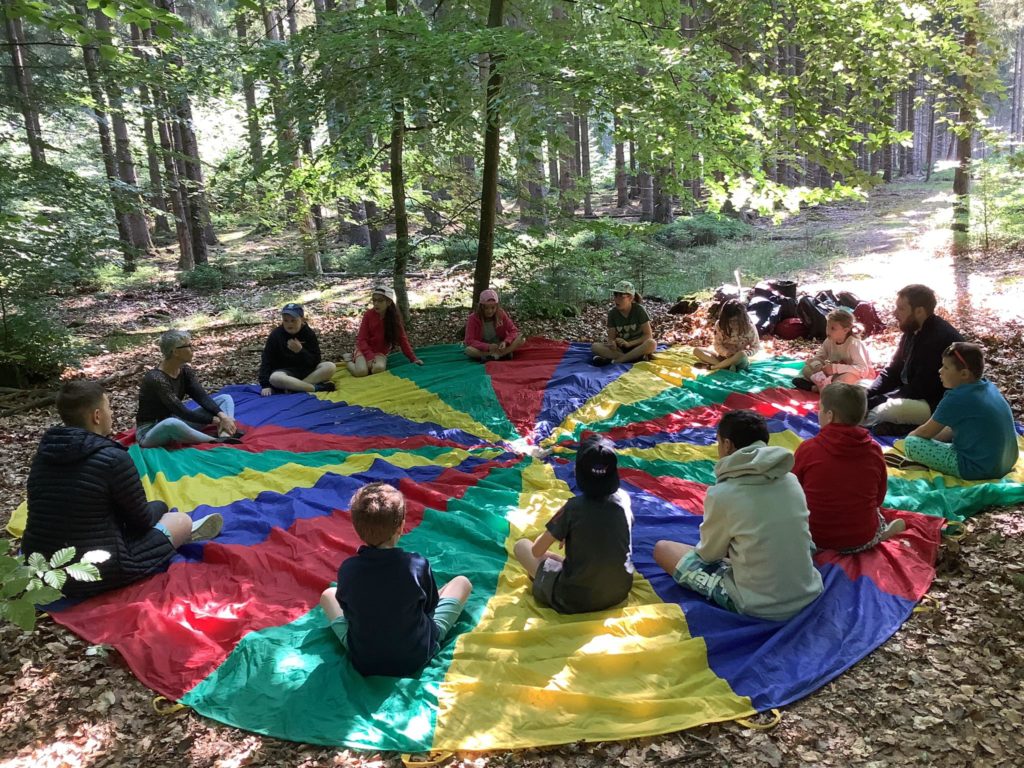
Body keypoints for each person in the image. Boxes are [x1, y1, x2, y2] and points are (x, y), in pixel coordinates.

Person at [22, 381, 224, 598]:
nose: (111, 413)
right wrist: (161, 505)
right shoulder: (112, 458)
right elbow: (142, 522)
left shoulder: (43, 455)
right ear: (97, 416)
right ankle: (182, 533)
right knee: (180, 520)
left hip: (42, 567)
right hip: (97, 569)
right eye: (108, 407)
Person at [653, 410, 822, 621]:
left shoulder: (724, 494)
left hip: (760, 605)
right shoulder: (791, 480)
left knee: (663, 549)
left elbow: (708, 555)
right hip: (808, 590)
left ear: (727, 445)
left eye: (718, 443)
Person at [319, 483, 472, 677]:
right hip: (416, 654)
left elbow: (348, 611)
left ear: (357, 529)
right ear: (401, 526)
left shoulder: (348, 569)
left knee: (328, 594)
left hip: (365, 658)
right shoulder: (417, 565)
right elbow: (429, 609)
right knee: (461, 582)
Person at [513, 435, 634, 613]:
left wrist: (560, 531)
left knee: (522, 546)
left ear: (577, 472)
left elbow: (536, 551)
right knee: (574, 559)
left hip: (573, 599)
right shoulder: (624, 499)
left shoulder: (572, 508)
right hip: (619, 592)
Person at [793, 383, 905, 553]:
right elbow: (879, 498)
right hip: (861, 538)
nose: (817, 412)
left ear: (829, 415)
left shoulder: (808, 449)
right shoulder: (874, 450)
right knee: (874, 514)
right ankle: (882, 534)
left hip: (813, 538)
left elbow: (792, 491)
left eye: (820, 408)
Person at [903, 342, 1019, 480]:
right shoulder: (988, 386)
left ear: (964, 374)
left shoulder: (956, 398)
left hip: (978, 468)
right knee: (948, 430)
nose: (940, 371)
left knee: (911, 444)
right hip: (1006, 462)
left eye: (945, 367)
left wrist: (909, 439)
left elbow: (925, 432)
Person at [865, 284, 963, 431]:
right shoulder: (912, 329)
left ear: (919, 311)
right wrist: (867, 394)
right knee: (860, 387)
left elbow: (920, 389)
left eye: (901, 309)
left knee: (886, 410)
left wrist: (875, 401)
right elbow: (893, 371)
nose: (895, 313)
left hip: (937, 403)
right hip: (912, 392)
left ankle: (852, 422)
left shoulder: (938, 339)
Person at [136, 330, 241, 447]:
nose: (193, 349)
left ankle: (226, 435)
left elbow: (202, 397)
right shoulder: (156, 378)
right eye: (189, 346)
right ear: (175, 352)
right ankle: (215, 441)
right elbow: (181, 411)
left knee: (225, 399)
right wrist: (216, 420)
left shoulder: (185, 371)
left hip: (177, 420)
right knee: (171, 423)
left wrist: (223, 417)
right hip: (150, 432)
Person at [258, 303, 337, 395]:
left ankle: (295, 388)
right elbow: (266, 359)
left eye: (293, 320)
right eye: (286, 320)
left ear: (302, 320)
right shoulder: (276, 334)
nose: (289, 324)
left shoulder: (308, 333)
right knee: (275, 378)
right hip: (285, 373)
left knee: (330, 366)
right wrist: (265, 385)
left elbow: (316, 360)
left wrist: (300, 351)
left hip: (307, 372)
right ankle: (315, 388)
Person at [347, 286, 423, 377]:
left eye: (380, 301)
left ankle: (365, 363)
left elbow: (402, 339)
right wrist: (369, 356)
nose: (376, 303)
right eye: (374, 300)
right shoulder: (368, 315)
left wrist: (413, 358)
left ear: (389, 302)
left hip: (380, 353)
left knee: (378, 368)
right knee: (361, 372)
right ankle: (348, 360)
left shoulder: (394, 318)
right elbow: (361, 339)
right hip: (364, 350)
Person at [793, 309, 875, 392]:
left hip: (857, 377)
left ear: (845, 330)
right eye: (827, 326)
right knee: (807, 369)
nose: (828, 330)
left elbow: (862, 369)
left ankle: (817, 388)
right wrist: (817, 365)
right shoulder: (829, 341)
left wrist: (835, 368)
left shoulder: (854, 344)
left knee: (847, 378)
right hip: (835, 374)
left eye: (833, 328)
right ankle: (825, 386)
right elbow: (819, 357)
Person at [591, 280, 657, 366]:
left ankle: (617, 361)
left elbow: (648, 335)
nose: (616, 299)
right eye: (615, 295)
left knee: (652, 343)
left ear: (631, 298)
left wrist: (629, 344)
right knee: (595, 347)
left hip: (638, 347)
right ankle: (633, 359)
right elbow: (611, 337)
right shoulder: (612, 313)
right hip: (621, 349)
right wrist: (612, 343)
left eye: (621, 296)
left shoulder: (639, 310)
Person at [693, 299, 760, 372]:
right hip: (723, 356)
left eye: (736, 321)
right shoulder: (720, 325)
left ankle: (713, 367)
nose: (733, 324)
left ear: (742, 319)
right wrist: (726, 353)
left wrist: (747, 353)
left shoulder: (749, 328)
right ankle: (725, 366)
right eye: (730, 321)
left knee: (741, 354)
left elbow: (756, 346)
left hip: (739, 359)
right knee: (697, 350)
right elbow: (717, 344)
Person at [463, 289, 525, 362]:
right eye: (486, 308)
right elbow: (469, 340)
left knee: (522, 338)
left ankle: (498, 355)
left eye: (493, 308)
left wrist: (506, 342)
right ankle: (493, 355)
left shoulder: (501, 314)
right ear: (481, 307)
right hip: (483, 347)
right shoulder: (473, 318)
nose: (490, 311)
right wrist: (487, 346)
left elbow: (514, 330)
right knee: (468, 350)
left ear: (497, 306)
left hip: (499, 345)